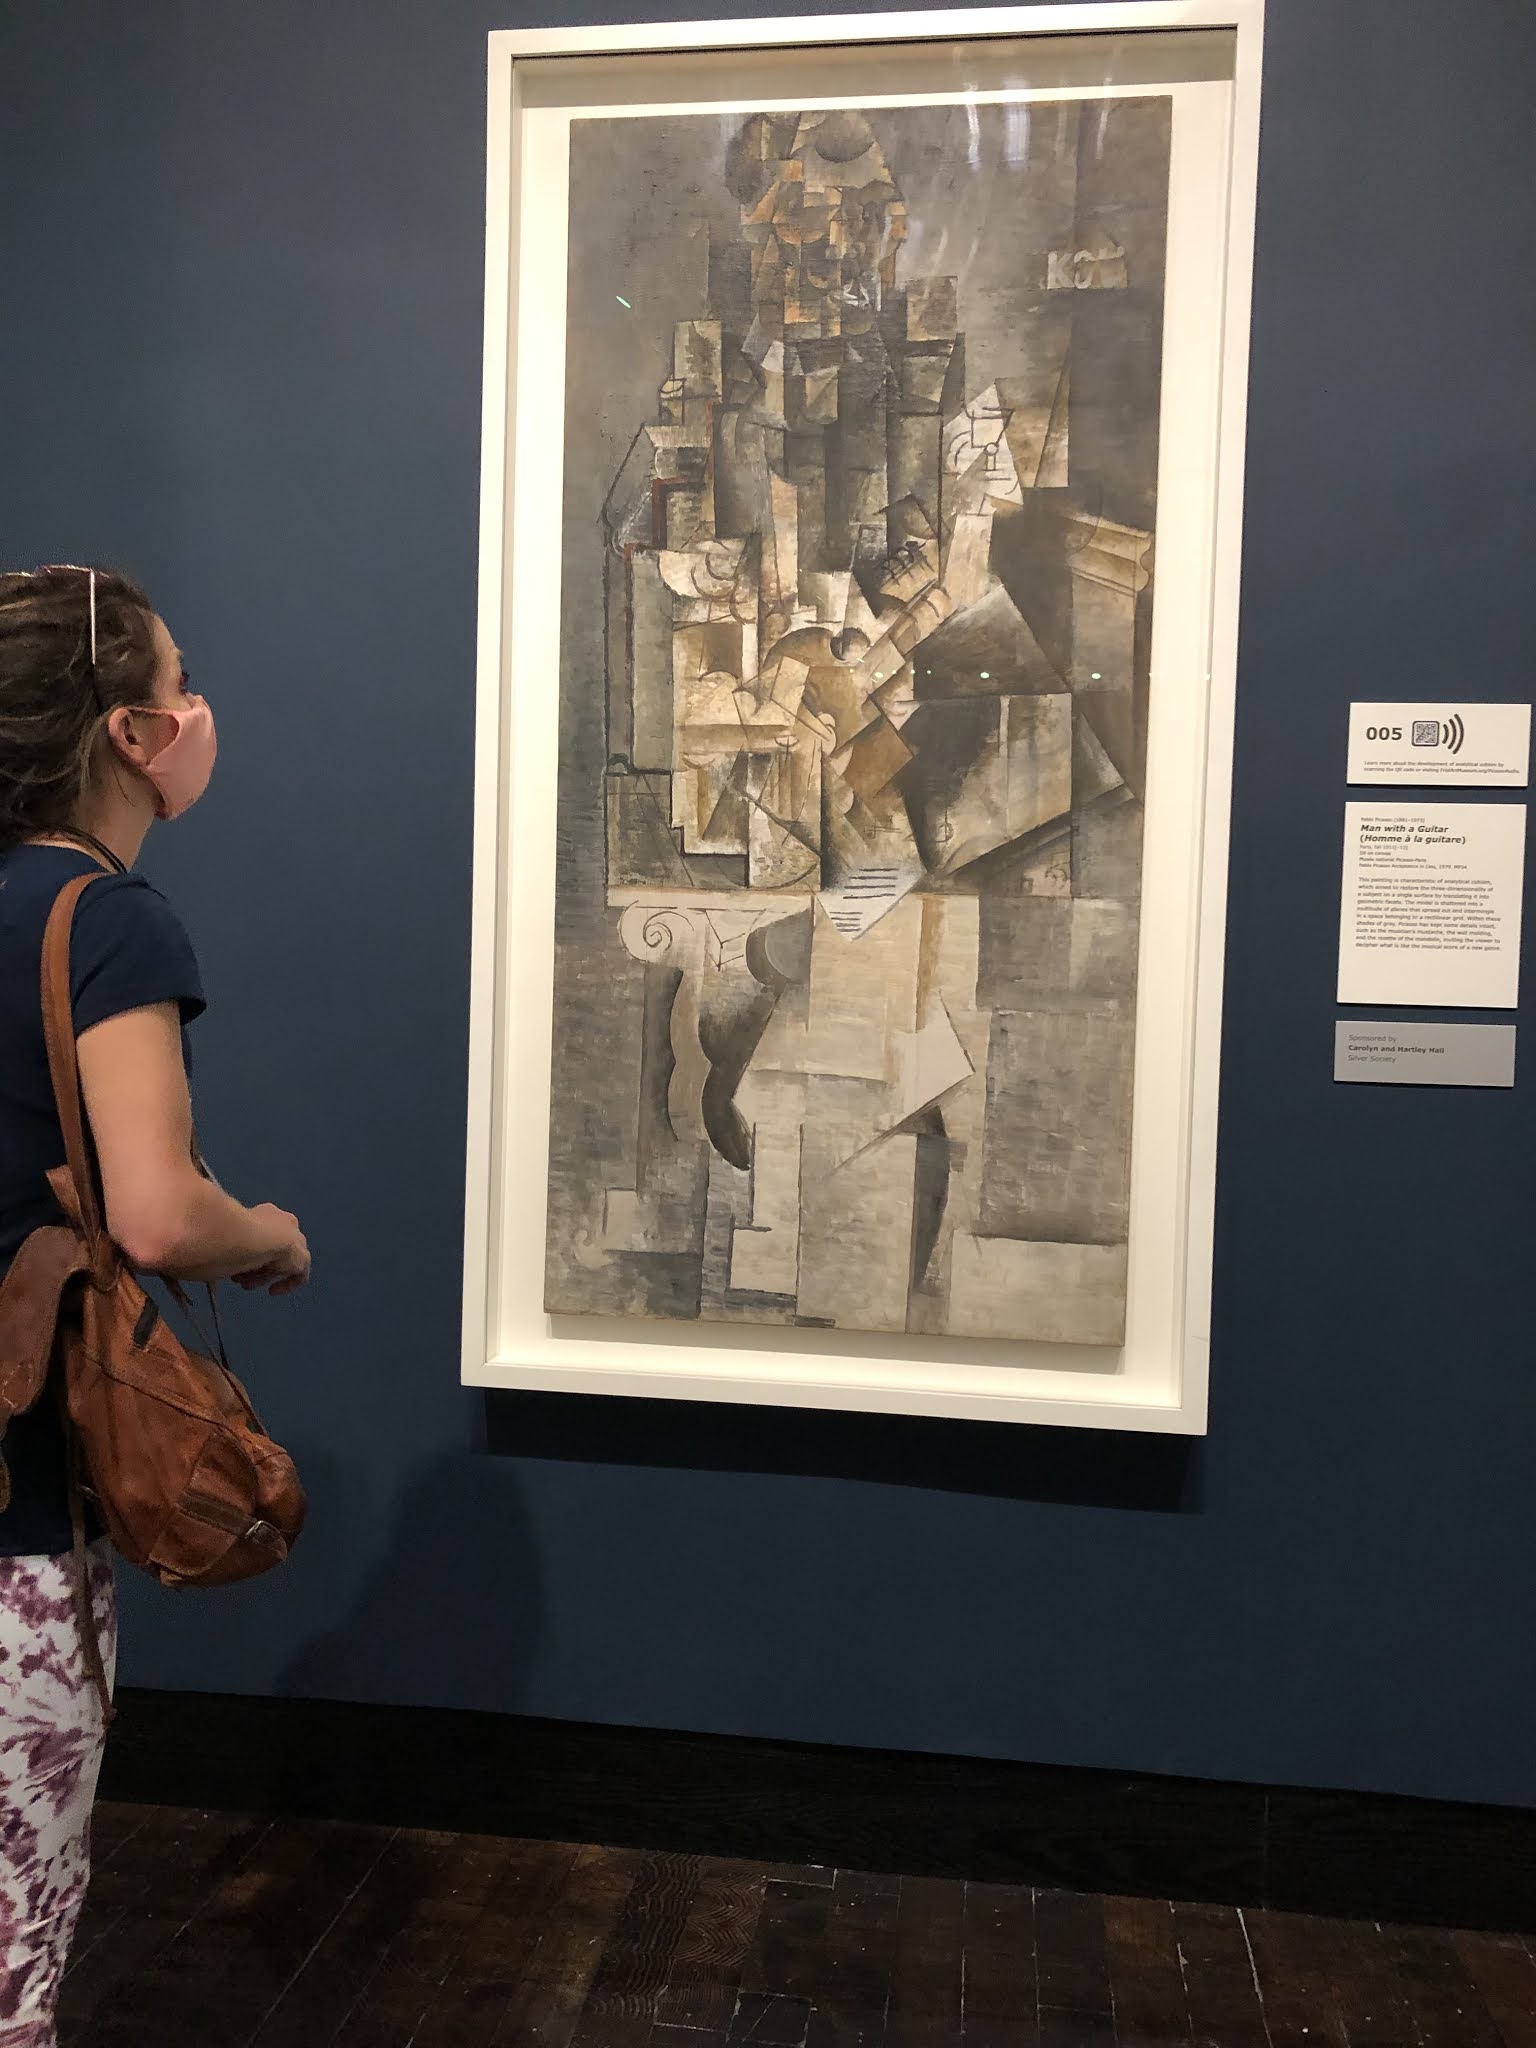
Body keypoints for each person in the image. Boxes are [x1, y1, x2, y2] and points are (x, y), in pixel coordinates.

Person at [0, 564, 310, 2045]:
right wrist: (268, 1234)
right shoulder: (107, 921)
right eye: (177, 684)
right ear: (128, 734)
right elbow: (156, 1212)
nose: (197, 709)